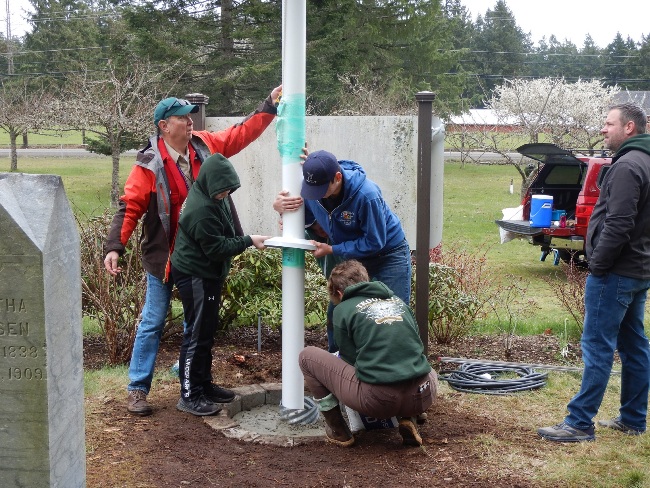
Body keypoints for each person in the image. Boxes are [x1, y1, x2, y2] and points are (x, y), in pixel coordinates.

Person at [104, 85, 281, 416]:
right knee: (154, 320)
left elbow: (240, 135)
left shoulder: (203, 145)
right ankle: (138, 389)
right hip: (164, 259)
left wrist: (268, 106)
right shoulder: (148, 165)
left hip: (199, 258)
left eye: (190, 117)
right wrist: (115, 246)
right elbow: (129, 208)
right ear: (163, 126)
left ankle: (195, 383)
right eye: (181, 118)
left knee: (196, 324)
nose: (189, 122)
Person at [538, 102, 650, 442]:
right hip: (638, 270)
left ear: (629, 128)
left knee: (598, 346)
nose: (603, 129)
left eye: (608, 123)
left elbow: (619, 222)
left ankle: (579, 423)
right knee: (634, 345)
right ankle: (632, 419)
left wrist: (597, 263)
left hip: (615, 272)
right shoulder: (644, 160)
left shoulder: (628, 165)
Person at [274, 149, 411, 352]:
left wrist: (332, 249)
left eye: (321, 189)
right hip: (352, 256)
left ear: (337, 178)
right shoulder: (315, 188)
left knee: (392, 314)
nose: (315, 195)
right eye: (312, 189)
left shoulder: (367, 195)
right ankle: (339, 368)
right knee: (339, 311)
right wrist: (282, 210)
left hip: (387, 256)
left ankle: (394, 372)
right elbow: (307, 214)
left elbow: (375, 241)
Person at [170, 153, 270, 416]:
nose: (226, 194)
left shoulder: (215, 194)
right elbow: (217, 248)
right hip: (196, 274)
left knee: (206, 332)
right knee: (196, 334)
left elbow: (226, 229)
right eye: (223, 190)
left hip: (208, 274)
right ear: (211, 183)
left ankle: (204, 385)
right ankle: (189, 395)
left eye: (229, 190)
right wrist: (249, 240)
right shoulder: (201, 210)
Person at [298, 260, 437, 447]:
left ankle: (338, 431)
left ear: (339, 292)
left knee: (307, 356)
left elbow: (351, 361)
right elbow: (413, 347)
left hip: (379, 402)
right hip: (424, 393)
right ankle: (409, 417)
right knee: (416, 363)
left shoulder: (343, 309)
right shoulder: (398, 302)